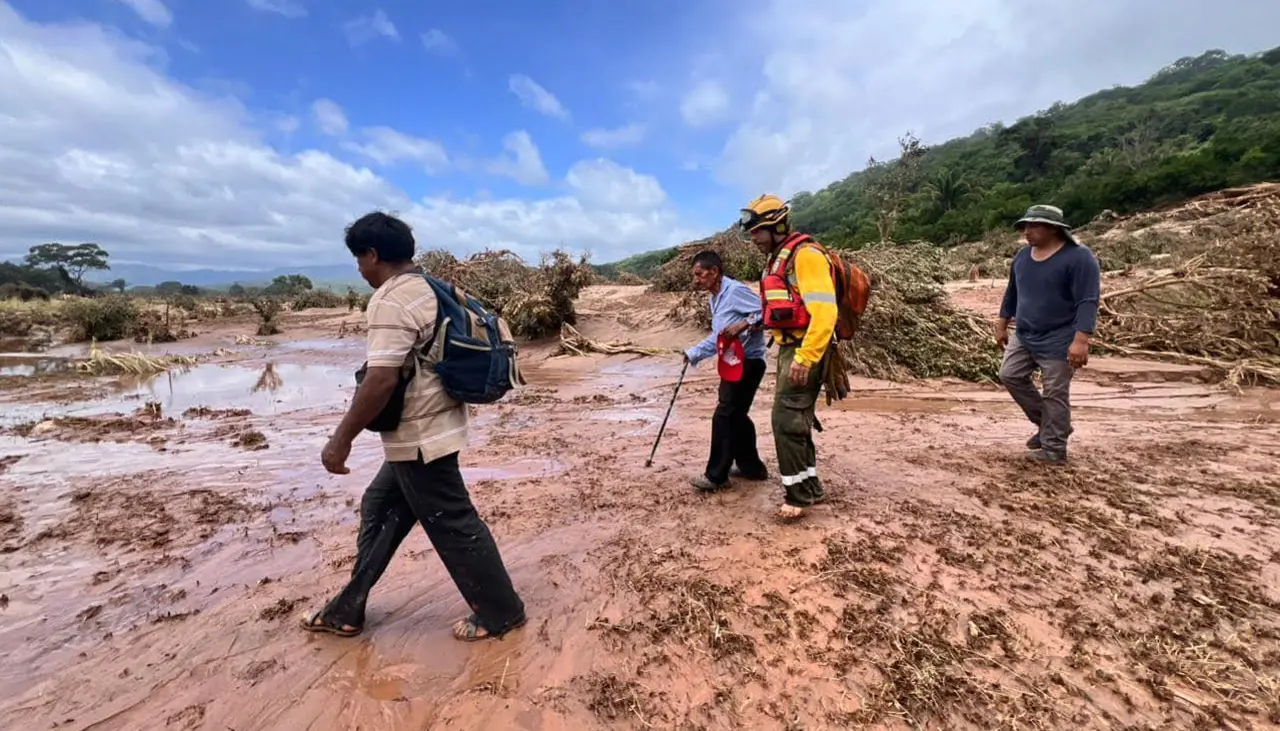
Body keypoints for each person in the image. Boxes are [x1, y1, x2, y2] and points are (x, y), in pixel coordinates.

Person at [302, 211, 526, 641]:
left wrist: (340, 440)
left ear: (371, 254)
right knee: (380, 505)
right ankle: (349, 608)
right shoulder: (432, 287)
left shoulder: (390, 299)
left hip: (419, 436)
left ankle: (502, 612)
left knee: (454, 522)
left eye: (359, 260)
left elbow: (380, 379)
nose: (361, 269)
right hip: (439, 424)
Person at [740, 194, 838, 521]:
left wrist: (806, 357)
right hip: (789, 347)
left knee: (785, 421)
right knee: (796, 421)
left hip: (804, 348)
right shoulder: (778, 257)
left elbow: (825, 313)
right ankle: (809, 487)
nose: (753, 239)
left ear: (776, 226)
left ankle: (798, 497)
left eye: (757, 232)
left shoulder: (805, 256)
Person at [996, 204, 1101, 464]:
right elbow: (1013, 293)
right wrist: (1001, 322)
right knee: (1009, 375)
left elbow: (1088, 300)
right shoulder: (1022, 257)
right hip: (1025, 332)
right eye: (1025, 226)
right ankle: (1050, 424)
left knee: (1055, 392)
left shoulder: (1079, 257)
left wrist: (1081, 339)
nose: (1027, 231)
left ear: (1054, 228)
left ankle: (1054, 450)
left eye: (1034, 226)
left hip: (1060, 336)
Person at [682, 250, 770, 492]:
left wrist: (744, 323)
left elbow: (768, 310)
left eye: (700, 274)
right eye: (695, 275)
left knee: (725, 414)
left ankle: (716, 476)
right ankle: (751, 467)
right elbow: (719, 337)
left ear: (714, 272)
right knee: (736, 414)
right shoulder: (715, 298)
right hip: (732, 362)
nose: (696, 280)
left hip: (749, 362)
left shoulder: (735, 291)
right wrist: (693, 353)